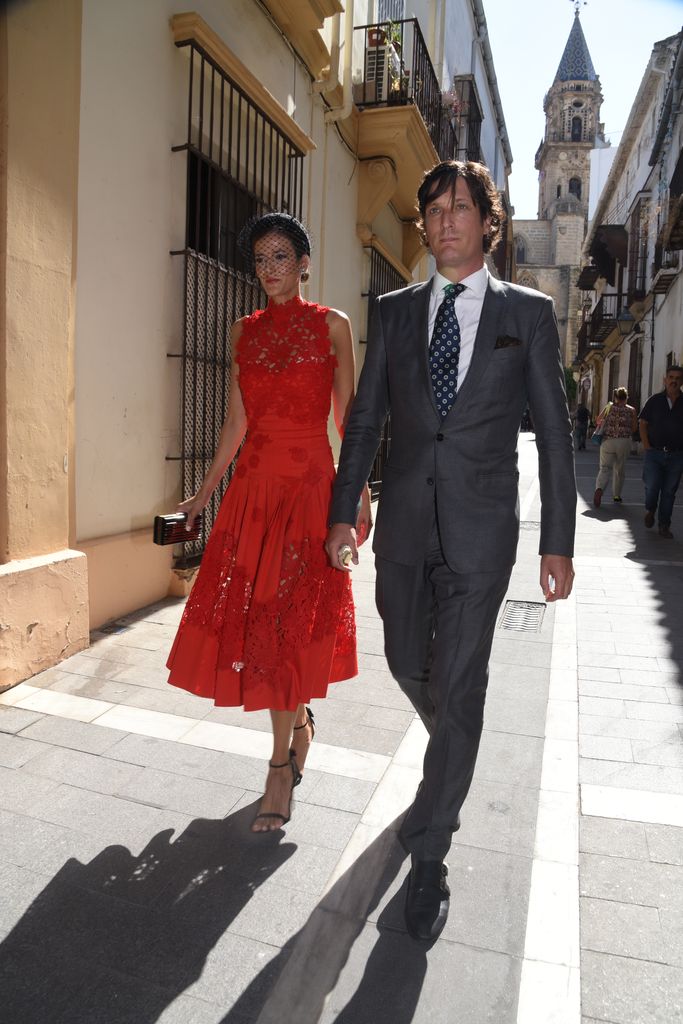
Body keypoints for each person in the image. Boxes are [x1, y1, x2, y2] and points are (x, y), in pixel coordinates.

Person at [325, 160, 576, 943]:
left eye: (459, 208)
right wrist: (343, 513)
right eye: (433, 210)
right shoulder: (395, 311)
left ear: (487, 222)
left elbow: (555, 437)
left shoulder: (527, 314)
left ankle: (429, 854)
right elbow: (365, 422)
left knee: (461, 687)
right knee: (405, 661)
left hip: (480, 535)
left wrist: (558, 541)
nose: (443, 222)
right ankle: (452, 749)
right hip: (400, 526)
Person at [167, 213, 371, 832]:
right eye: (261, 258)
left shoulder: (333, 326)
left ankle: (279, 768)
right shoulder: (243, 333)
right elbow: (235, 424)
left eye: (281, 255)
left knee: (291, 621)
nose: (270, 268)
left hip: (309, 491)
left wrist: (356, 495)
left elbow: (349, 418)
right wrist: (201, 498)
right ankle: (298, 727)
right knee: (263, 623)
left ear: (305, 263)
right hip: (253, 494)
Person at [638, 365, 683, 539]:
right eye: (671, 377)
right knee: (652, 487)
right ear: (665, 380)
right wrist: (647, 447)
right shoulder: (654, 400)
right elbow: (643, 423)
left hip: (677, 455)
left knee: (669, 492)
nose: (674, 381)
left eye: (678, 378)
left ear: (681, 381)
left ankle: (664, 525)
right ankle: (650, 508)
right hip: (654, 454)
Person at [592, 387, 637, 507]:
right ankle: (616, 496)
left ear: (615, 397)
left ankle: (599, 489)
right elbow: (634, 428)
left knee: (604, 468)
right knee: (619, 469)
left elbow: (598, 420)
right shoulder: (631, 410)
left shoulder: (609, 407)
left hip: (608, 441)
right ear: (626, 397)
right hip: (624, 442)